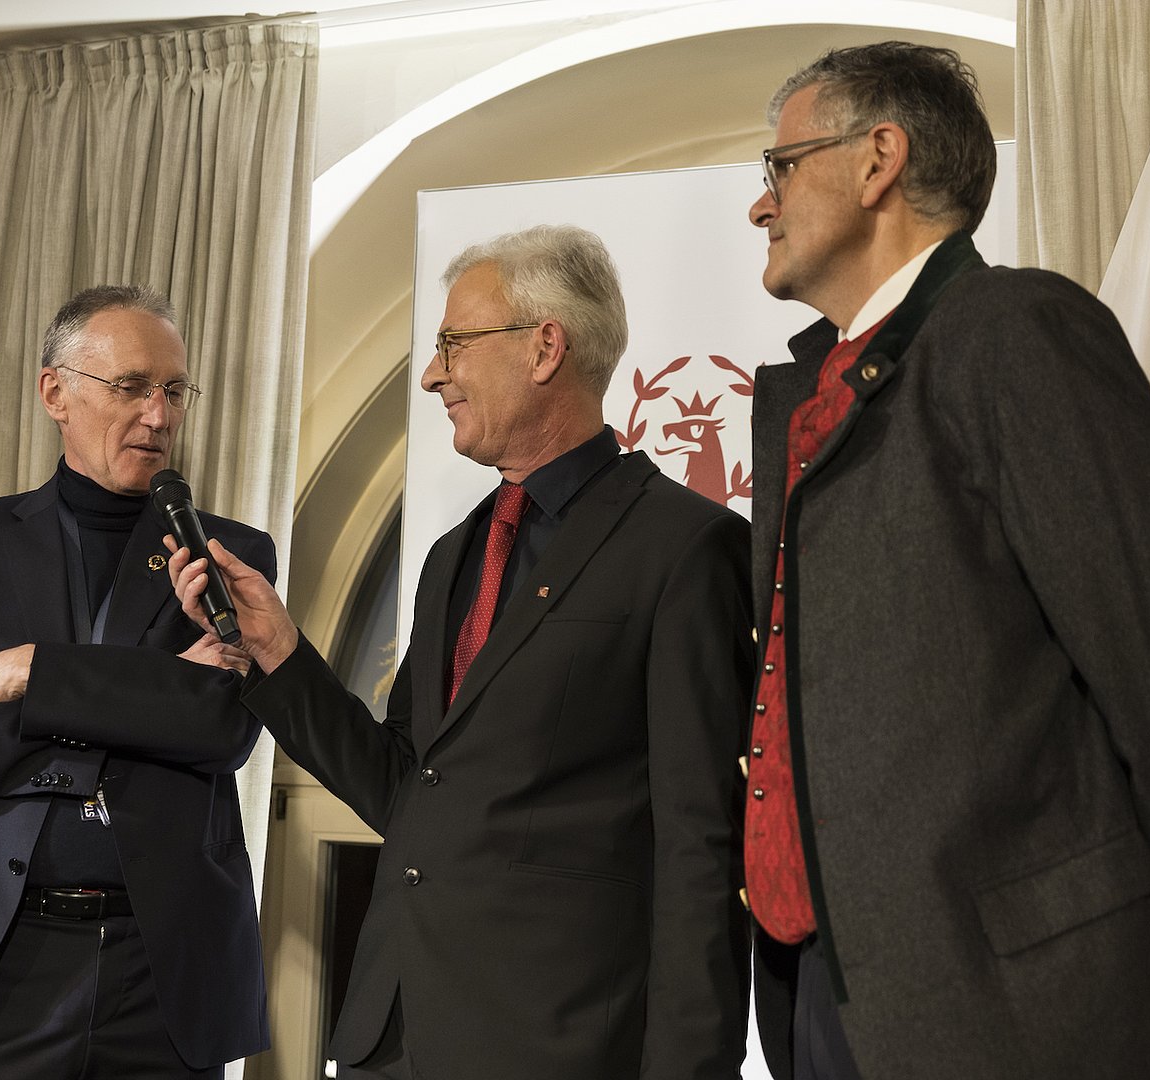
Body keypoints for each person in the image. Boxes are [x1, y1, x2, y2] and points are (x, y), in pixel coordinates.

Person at [742, 41, 1150, 1080]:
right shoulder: (816, 387)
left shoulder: (1015, 332)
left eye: (781, 168)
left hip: (1023, 1011)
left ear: (879, 159)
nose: (762, 205)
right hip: (831, 1000)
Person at [171, 224, 754, 1079]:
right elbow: (411, 791)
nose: (432, 374)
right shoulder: (456, 554)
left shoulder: (685, 548)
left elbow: (702, 849)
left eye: (453, 344)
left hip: (553, 1049)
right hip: (393, 1038)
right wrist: (279, 651)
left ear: (545, 347)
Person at [0, 285, 275, 1079]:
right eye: (131, 386)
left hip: (162, 973)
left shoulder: (229, 554)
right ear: (55, 393)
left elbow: (222, 730)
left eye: (174, 390)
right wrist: (153, 693)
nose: (159, 415)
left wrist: (34, 673)